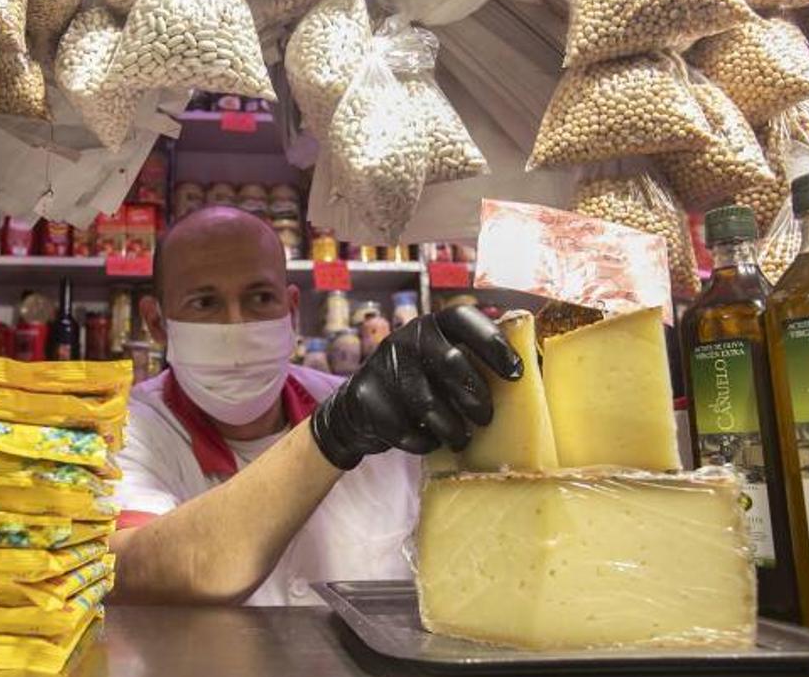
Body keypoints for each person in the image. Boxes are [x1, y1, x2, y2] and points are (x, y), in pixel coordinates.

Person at [110, 207, 522, 606]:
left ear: (291, 309)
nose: (235, 324)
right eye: (205, 303)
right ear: (157, 323)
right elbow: (140, 570)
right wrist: (333, 434)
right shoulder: (121, 431)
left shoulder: (373, 410)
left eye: (259, 298)